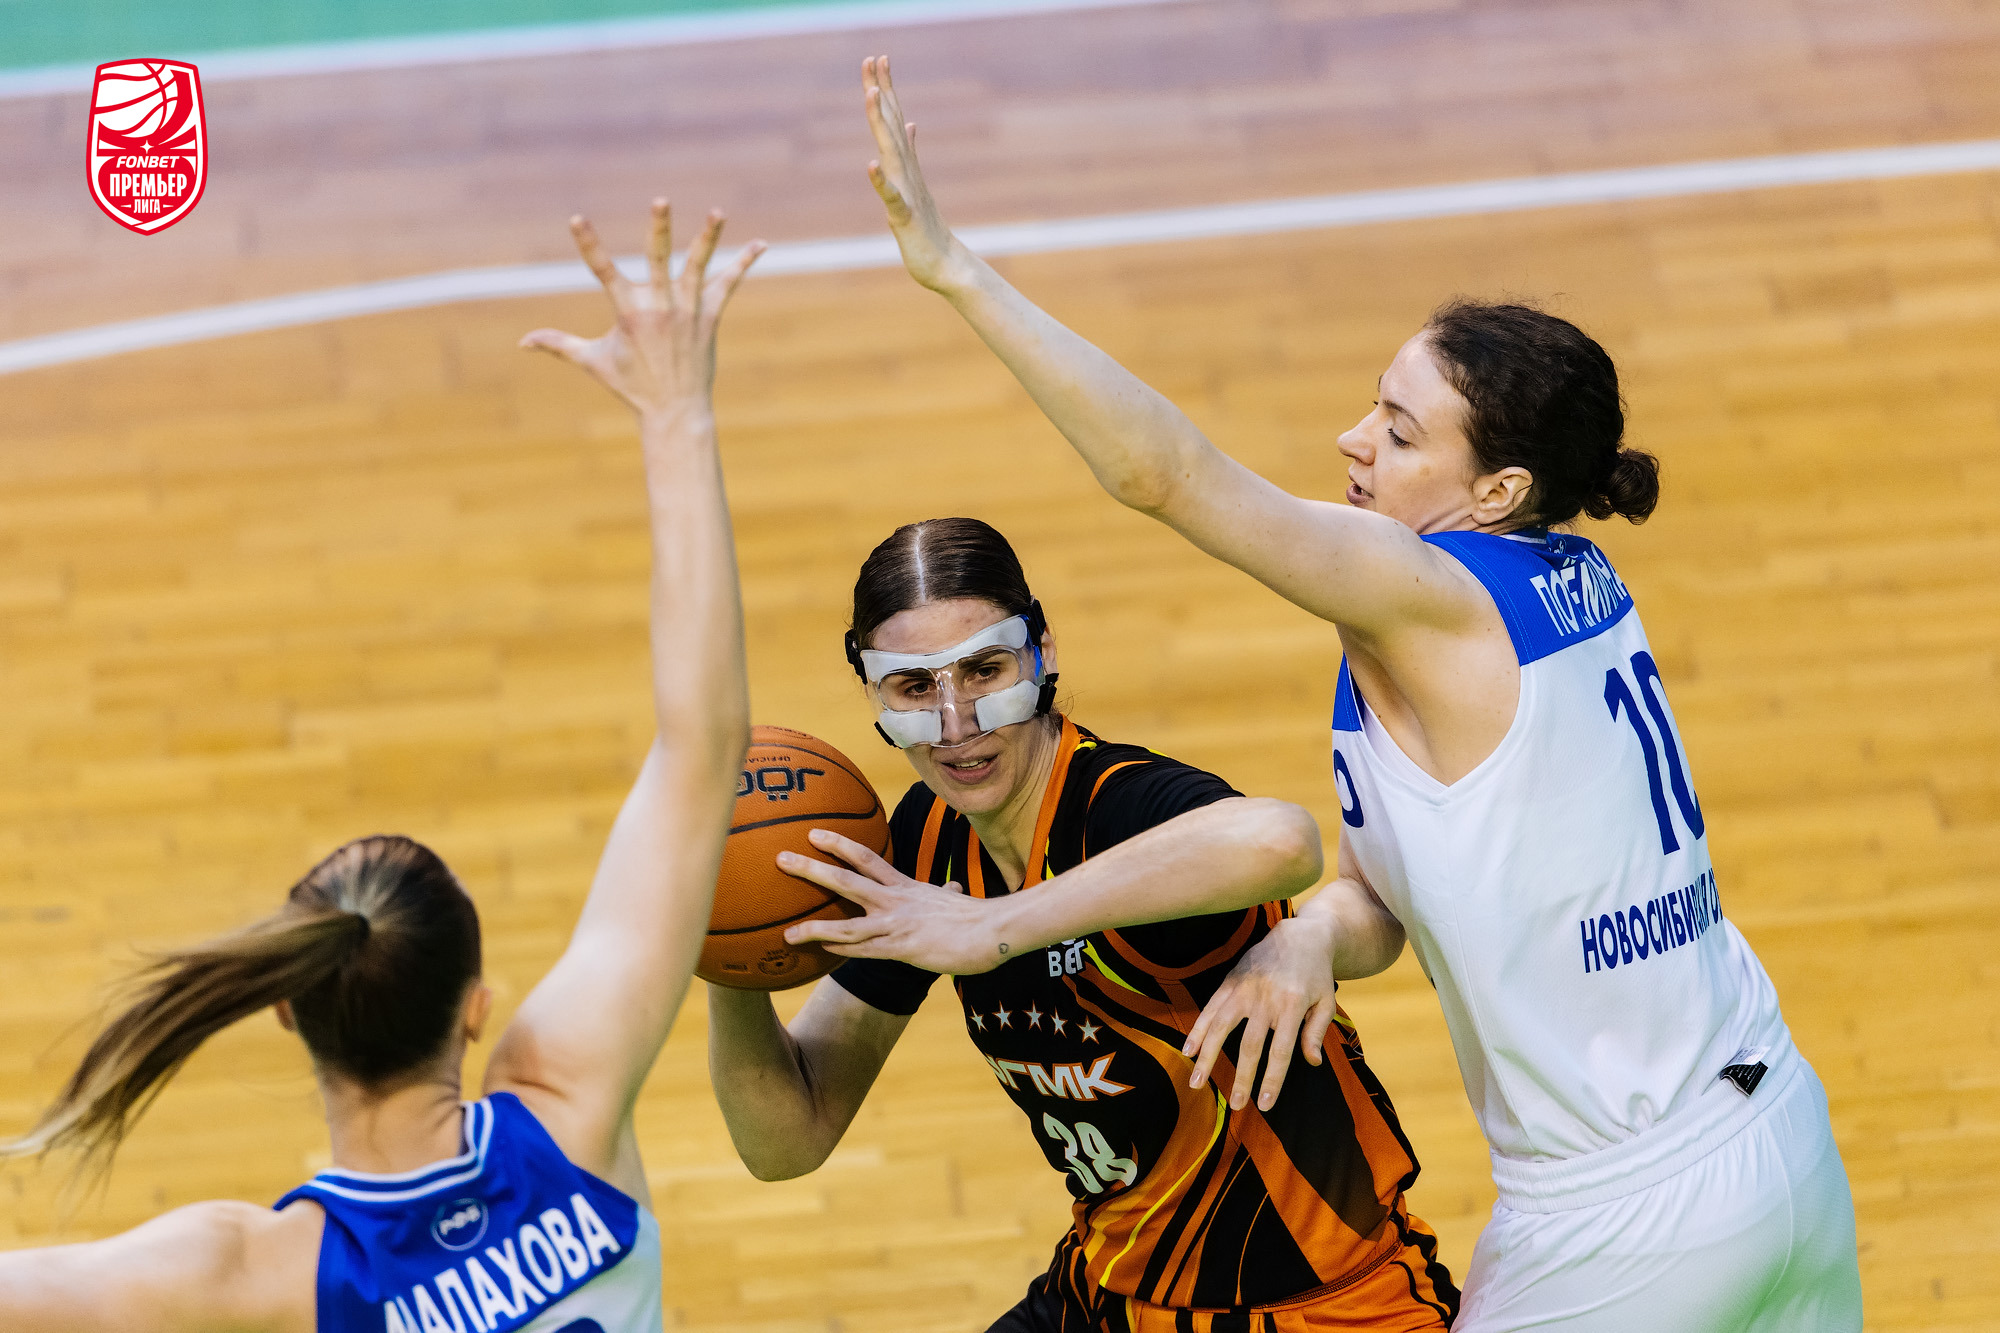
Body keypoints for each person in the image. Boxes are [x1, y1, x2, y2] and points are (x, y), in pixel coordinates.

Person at [849, 54, 1864, 1331]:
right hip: (1777, 1141)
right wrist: (1313, 935)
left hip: (1623, 1217)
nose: (1352, 440)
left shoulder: (1426, 591)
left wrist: (955, 271)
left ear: (1494, 492)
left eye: (1397, 430)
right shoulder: (1564, 584)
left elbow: (1164, 476)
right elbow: (1400, 894)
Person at [0, 199, 764, 1333]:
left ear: (286, 1011)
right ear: (477, 1010)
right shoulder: (570, 1106)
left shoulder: (261, 1273)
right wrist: (675, 411)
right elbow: (702, 745)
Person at [706, 515, 1459, 1332]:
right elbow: (788, 1140)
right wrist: (718, 938)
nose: (957, 724)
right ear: (872, 695)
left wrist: (996, 926)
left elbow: (1281, 840)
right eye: (915, 687)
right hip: (1104, 1294)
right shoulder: (927, 839)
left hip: (1324, 1307)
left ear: (1042, 652)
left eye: (985, 670)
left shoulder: (1114, 804)